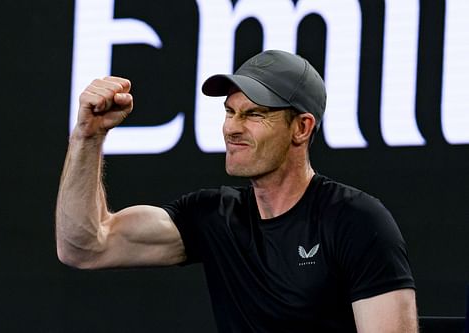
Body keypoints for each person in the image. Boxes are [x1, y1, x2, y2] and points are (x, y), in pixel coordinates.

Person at [56, 50, 418, 332]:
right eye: (230, 112)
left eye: (253, 115)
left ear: (302, 127)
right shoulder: (215, 217)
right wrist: (88, 136)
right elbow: (86, 247)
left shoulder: (356, 221)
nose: (232, 128)